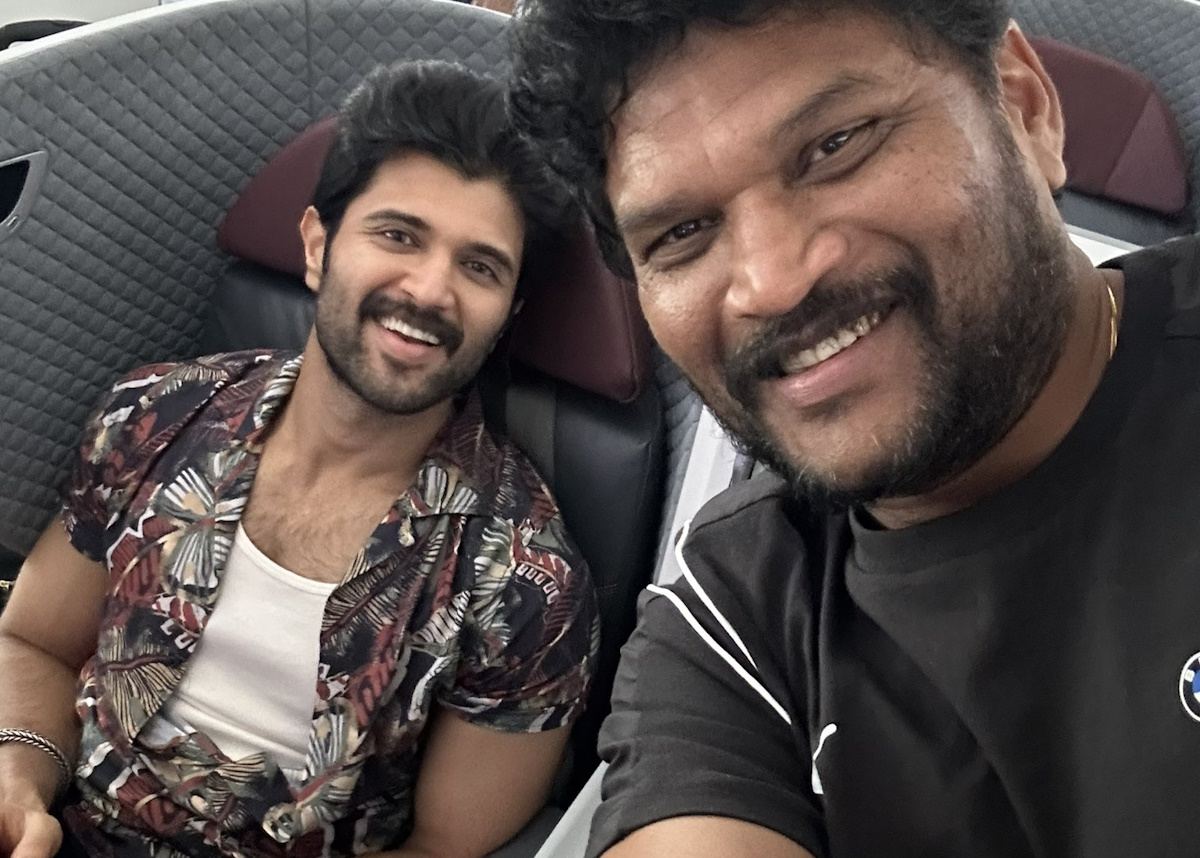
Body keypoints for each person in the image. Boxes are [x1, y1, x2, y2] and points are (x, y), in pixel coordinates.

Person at [511, 1, 1200, 856]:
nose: (772, 282)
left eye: (836, 145)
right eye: (683, 233)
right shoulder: (731, 621)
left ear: (1023, 106)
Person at [0, 59, 597, 858]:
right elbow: (34, 644)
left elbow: (445, 848)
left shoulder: (527, 581)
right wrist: (18, 787)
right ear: (317, 246)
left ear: (507, 314)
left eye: (479, 267)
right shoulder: (154, 415)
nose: (430, 290)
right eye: (398, 235)